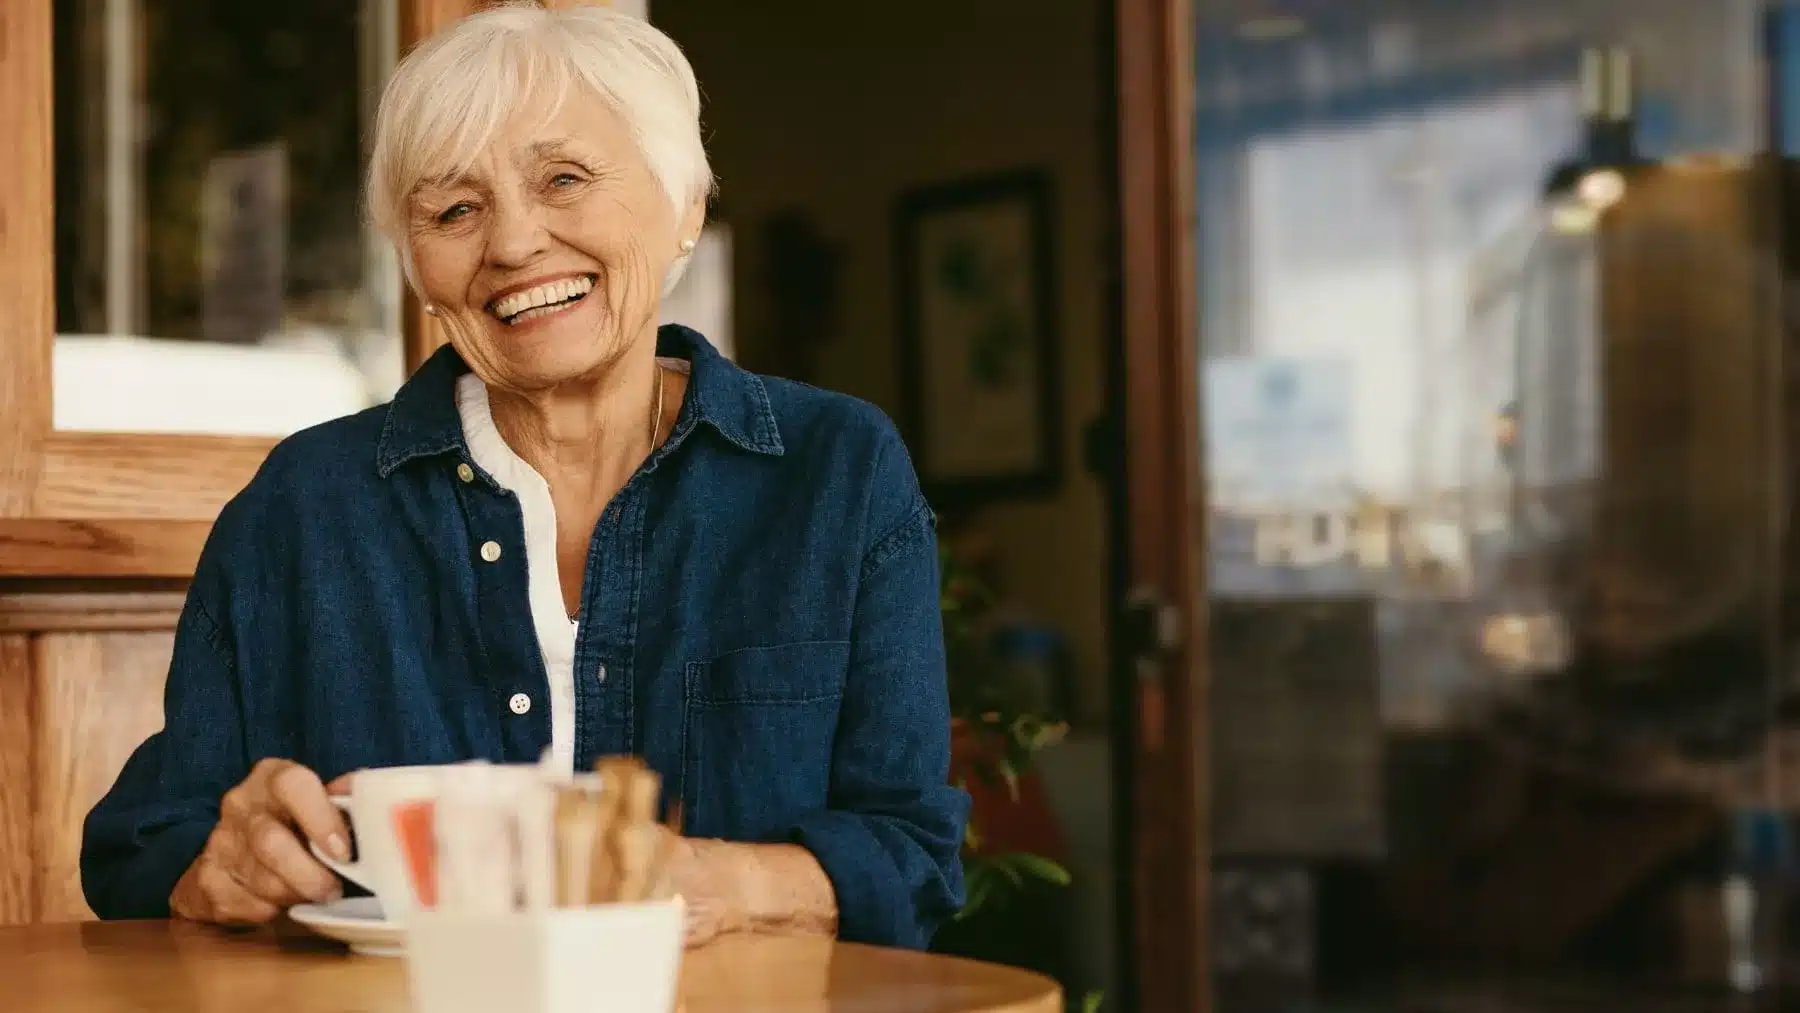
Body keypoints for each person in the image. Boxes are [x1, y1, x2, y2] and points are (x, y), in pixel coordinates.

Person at [81, 2, 966, 950]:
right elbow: (141, 843)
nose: (511, 245)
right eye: (454, 209)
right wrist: (220, 862)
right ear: (417, 264)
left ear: (685, 208)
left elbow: (910, 858)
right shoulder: (303, 506)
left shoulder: (833, 473)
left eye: (566, 179)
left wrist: (712, 880)